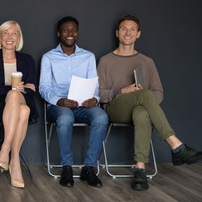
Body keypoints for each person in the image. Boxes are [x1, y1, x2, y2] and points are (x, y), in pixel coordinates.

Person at [97, 14, 202, 191]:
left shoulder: (147, 62)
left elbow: (158, 93)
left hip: (140, 108)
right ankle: (175, 145)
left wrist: (142, 98)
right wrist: (123, 91)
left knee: (142, 112)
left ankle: (140, 169)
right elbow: (98, 94)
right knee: (145, 95)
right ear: (117, 33)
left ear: (138, 34)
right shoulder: (106, 61)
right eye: (124, 29)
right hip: (115, 109)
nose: (128, 33)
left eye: (132, 29)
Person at [39, 16, 108, 188]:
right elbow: (44, 87)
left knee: (101, 117)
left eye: (73, 30)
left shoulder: (88, 56)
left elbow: (95, 85)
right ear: (58, 34)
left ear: (77, 33)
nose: (70, 33)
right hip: (59, 106)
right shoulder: (48, 57)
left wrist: (95, 99)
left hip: (83, 105)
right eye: (65, 30)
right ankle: (67, 167)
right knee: (65, 118)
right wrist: (59, 100)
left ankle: (89, 168)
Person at [0, 20, 37, 189]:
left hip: (22, 99)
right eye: (5, 33)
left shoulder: (27, 59)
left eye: (14, 33)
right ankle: (15, 161)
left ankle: (5, 149)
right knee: (23, 110)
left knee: (16, 97)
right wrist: (14, 88)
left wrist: (23, 89)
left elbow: (32, 89)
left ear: (19, 38)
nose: (9, 37)